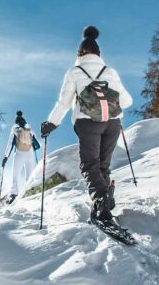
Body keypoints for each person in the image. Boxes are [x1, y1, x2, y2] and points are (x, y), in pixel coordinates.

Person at [41, 26, 133, 228]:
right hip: (112, 123)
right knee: (102, 166)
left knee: (90, 165)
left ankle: (101, 202)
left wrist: (51, 123)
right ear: (99, 54)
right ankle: (102, 207)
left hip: (87, 123)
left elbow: (64, 103)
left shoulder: (75, 72)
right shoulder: (110, 72)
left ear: (80, 54)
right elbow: (127, 101)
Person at [1, 111, 40, 204]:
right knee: (30, 175)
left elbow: (10, 143)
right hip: (30, 153)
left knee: (15, 175)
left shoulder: (15, 128)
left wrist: (5, 157)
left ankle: (13, 194)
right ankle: (31, 192)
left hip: (19, 154)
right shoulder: (28, 127)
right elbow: (36, 142)